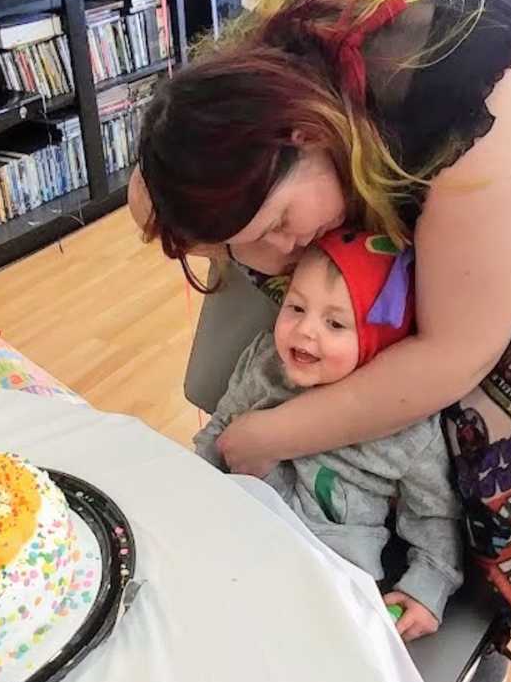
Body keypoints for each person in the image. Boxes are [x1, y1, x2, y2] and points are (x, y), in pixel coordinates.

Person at [131, 0, 511, 682]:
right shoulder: (256, 84)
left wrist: (267, 438)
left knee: (471, 442)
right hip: (391, 149)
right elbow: (157, 193)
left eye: (277, 222)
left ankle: (478, 625)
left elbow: (452, 357)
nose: (268, 259)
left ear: (302, 135)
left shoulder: (484, 102)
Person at [195, 231, 463, 641]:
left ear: (378, 341)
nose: (304, 330)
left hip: (331, 579)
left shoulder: (408, 427)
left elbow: (435, 516)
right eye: (296, 307)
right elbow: (217, 432)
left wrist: (428, 588)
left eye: (335, 323)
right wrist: (185, 490)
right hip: (237, 537)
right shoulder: (265, 363)